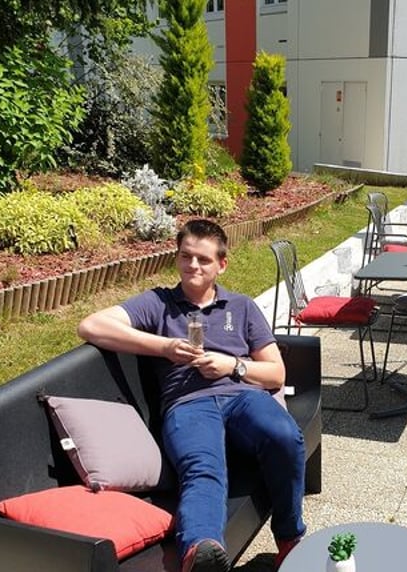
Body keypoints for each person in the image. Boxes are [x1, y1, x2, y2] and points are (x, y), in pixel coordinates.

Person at [77, 219, 306, 572]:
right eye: (186, 256)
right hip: (187, 405)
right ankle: (201, 551)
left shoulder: (241, 306)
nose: (193, 266)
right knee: (203, 467)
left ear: (221, 265)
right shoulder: (159, 303)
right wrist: (165, 346)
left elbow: (276, 372)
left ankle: (290, 539)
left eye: (203, 259)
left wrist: (232, 365)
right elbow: (91, 325)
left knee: (285, 436)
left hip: (241, 395)